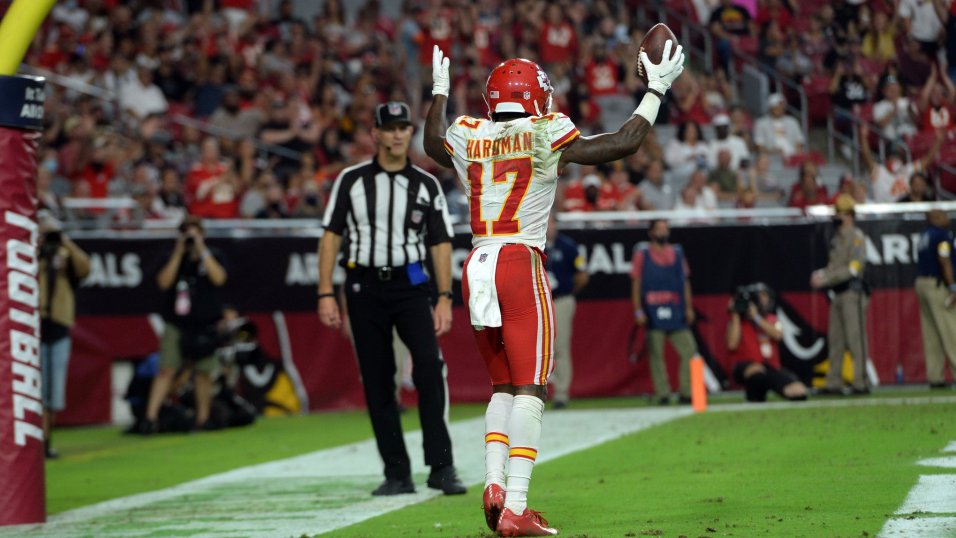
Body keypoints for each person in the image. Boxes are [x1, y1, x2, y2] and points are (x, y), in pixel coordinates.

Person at [424, 39, 684, 535]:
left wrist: (438, 93)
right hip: (520, 258)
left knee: (501, 385)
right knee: (531, 386)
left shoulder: (468, 131)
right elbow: (621, 144)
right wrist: (656, 89)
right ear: (535, 98)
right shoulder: (546, 130)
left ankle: (494, 485)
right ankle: (517, 507)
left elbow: (433, 144)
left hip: (476, 259)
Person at [317, 101, 466, 498]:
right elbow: (331, 236)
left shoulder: (426, 183)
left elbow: (440, 241)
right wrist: (326, 291)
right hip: (364, 286)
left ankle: (441, 465)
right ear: (376, 134)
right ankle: (397, 472)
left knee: (431, 370)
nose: (398, 134)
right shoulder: (351, 180)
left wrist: (445, 297)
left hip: (410, 285)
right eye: (391, 128)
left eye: (404, 128)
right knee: (379, 380)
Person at [142, 216, 228, 432]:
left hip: (205, 323)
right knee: (166, 369)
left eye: (194, 232)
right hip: (177, 323)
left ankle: (203, 418)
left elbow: (219, 278)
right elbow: (163, 282)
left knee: (203, 372)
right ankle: (150, 418)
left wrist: (201, 249)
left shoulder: (213, 255)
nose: (190, 237)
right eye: (186, 233)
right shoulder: (171, 256)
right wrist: (179, 252)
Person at [37, 212, 91, 458]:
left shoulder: (64, 254)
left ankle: (46, 440)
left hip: (58, 325)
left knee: (52, 390)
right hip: (31, 328)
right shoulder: (28, 254)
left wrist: (65, 241)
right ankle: (32, 441)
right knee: (31, 389)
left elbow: (85, 268)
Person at [631, 219, 698, 406]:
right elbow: (636, 283)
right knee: (656, 354)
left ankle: (686, 391)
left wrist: (689, 307)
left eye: (665, 229)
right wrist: (638, 311)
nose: (663, 232)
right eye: (659, 229)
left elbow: (685, 282)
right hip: (653, 310)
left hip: (676, 309)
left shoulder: (677, 253)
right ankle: (663, 393)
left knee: (689, 350)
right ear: (651, 233)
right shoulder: (642, 255)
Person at [811, 195, 870, 395]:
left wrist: (826, 279)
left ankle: (861, 382)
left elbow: (853, 269)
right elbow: (834, 266)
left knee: (855, 340)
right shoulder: (836, 238)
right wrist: (821, 274)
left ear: (850, 215)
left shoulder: (856, 236)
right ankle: (833, 382)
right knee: (835, 340)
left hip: (852, 293)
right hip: (837, 294)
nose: (836, 216)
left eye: (840, 213)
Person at [726, 283, 807, 402]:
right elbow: (731, 345)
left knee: (799, 390)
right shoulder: (737, 323)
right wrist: (735, 315)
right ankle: (777, 388)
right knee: (756, 371)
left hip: (770, 368)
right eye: (760, 296)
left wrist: (756, 318)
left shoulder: (772, 319)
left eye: (765, 296)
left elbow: (778, 335)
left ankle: (763, 392)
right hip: (746, 368)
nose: (763, 300)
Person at [544, 213, 589, 409]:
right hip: (539, 302)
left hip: (561, 300)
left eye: (551, 223)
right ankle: (536, 393)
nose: (548, 227)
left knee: (560, 347)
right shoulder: (531, 245)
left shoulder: (568, 246)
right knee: (540, 349)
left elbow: (582, 274)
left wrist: (569, 291)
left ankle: (561, 393)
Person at [914, 210, 956, 389]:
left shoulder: (924, 235)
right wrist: (952, 286)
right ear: (935, 219)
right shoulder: (941, 235)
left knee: (931, 332)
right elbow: (944, 259)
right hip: (937, 285)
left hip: (922, 283)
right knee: (950, 330)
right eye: (943, 215)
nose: (947, 218)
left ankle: (935, 376)